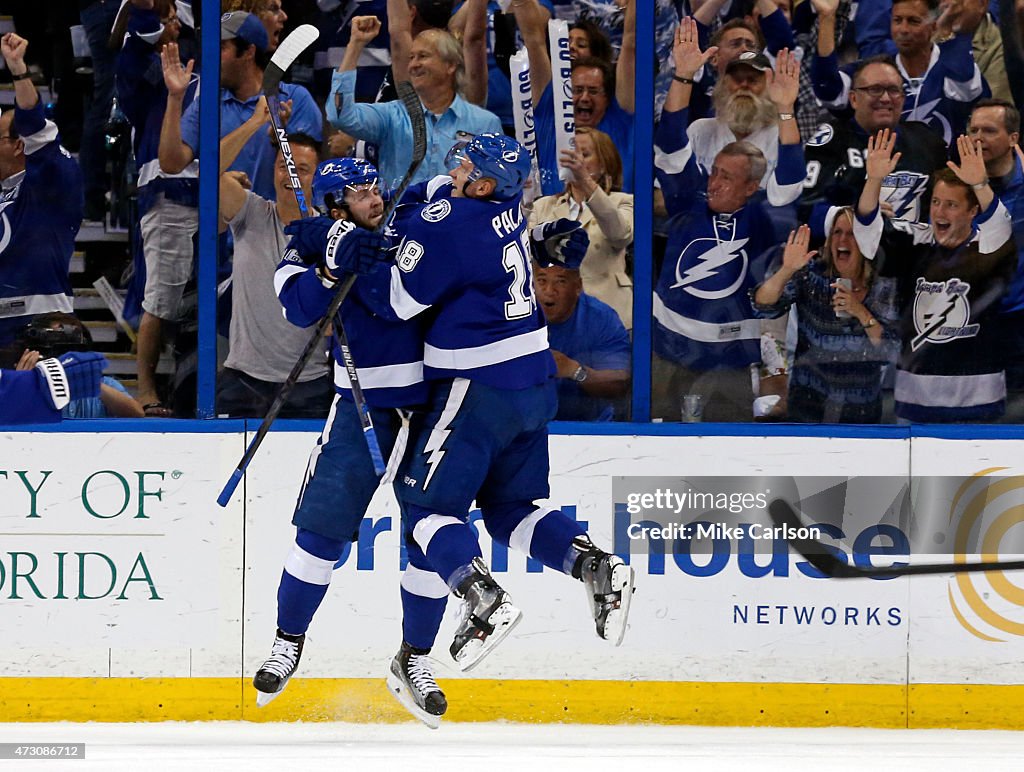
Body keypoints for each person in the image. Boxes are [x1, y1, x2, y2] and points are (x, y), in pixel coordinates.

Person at [347, 133, 634, 682]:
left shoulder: (453, 222)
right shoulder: (506, 210)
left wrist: (360, 261)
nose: (451, 170)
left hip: (477, 387)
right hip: (531, 386)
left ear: (480, 184)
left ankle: (481, 599)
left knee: (426, 511)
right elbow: (436, 206)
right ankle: (594, 564)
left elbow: (399, 301)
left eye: (462, 165)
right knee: (510, 510)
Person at [255, 158, 442, 725]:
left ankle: (415, 657)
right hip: (359, 407)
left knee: (430, 537)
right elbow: (295, 305)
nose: (374, 197)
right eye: (358, 193)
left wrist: (345, 235)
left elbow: (441, 189)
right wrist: (330, 263)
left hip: (432, 407)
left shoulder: (411, 217)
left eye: (373, 186)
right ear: (336, 205)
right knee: (320, 535)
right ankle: (288, 641)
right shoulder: (312, 249)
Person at [651, 20, 803, 423]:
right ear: (720, 82)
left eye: (755, 80)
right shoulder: (701, 132)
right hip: (680, 323)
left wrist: (787, 109)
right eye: (736, 78)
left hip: (748, 316)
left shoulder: (781, 139)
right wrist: (683, 75)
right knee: (659, 422)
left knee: (744, 421)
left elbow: (787, 192)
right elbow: (668, 150)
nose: (744, 86)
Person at [857, 131, 1016, 422]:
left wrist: (980, 184)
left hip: (978, 398)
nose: (939, 212)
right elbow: (868, 237)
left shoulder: (988, 246)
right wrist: (873, 180)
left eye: (952, 205)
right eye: (936, 202)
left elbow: (1001, 227)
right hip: (916, 399)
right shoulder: (915, 240)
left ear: (972, 211)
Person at [217, 106, 334, 418]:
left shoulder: (330, 236)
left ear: (318, 178)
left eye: (303, 169)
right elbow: (208, 171)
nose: (291, 176)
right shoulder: (250, 212)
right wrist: (257, 122)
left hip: (309, 384)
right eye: (285, 166)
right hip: (244, 380)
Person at [115, 0, 197, 416]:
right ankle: (145, 389)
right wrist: (146, 12)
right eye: (163, 20)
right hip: (168, 193)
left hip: (215, 194)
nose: (171, 27)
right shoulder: (147, 77)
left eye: (173, 20)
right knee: (161, 299)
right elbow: (134, 50)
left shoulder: (202, 78)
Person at [159, 11, 323, 203]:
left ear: (248, 52)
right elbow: (171, 163)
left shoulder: (294, 99)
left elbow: (305, 178)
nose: (211, 55)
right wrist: (175, 97)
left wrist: (278, 140)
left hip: (279, 229)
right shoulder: (208, 103)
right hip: (222, 230)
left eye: (221, 47)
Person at [752, 215, 900, 423]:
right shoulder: (812, 278)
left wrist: (860, 311)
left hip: (860, 417)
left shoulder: (882, 289)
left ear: (867, 242)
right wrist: (786, 270)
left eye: (852, 234)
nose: (842, 240)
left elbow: (890, 350)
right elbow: (763, 306)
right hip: (808, 410)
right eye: (837, 232)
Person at [326, 15, 501, 190]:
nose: (413, 65)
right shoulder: (391, 115)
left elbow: (494, 181)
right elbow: (340, 116)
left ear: (450, 65)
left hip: (459, 215)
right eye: (411, 57)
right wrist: (355, 44)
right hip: (401, 215)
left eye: (422, 56)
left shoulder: (485, 123)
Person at [0, 32, 83, 347]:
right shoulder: (5, 193)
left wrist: (19, 70)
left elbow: (34, 125)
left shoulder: (52, 180)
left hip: (42, 329)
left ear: (18, 145)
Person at [810, 0, 988, 146]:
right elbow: (827, 89)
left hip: (944, 181)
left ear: (933, 26)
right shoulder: (875, 69)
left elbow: (964, 87)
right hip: (881, 178)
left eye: (913, 21)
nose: (903, 30)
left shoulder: (953, 65)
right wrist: (826, 18)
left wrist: (947, 31)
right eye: (897, 20)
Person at [800, 55, 948, 226]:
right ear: (854, 99)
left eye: (893, 90)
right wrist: (855, 217)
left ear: (902, 98)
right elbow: (806, 212)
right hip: (852, 247)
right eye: (875, 89)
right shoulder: (830, 142)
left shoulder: (927, 141)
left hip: (918, 249)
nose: (885, 98)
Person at [528, 127, 634, 327]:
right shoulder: (543, 205)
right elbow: (525, 252)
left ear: (604, 164)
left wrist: (585, 180)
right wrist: (523, 199)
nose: (575, 160)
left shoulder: (624, 202)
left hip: (608, 313)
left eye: (584, 154)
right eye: (570, 154)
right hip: (552, 313)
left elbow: (621, 235)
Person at [966, 99, 1024, 398]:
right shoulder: (955, 184)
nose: (978, 137)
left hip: (1018, 319)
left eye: (988, 131)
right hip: (970, 321)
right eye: (973, 129)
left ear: (1013, 138)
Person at [533, 259, 630, 421]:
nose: (549, 290)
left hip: (588, 430)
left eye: (560, 282)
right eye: (541, 280)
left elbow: (619, 386)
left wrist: (575, 371)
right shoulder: (509, 316)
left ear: (578, 287)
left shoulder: (601, 319)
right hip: (522, 430)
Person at [13, 313, 144, 418]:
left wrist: (90, 381)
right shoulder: (23, 384)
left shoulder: (106, 385)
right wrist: (21, 388)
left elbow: (136, 413)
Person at [0, 350, 107, 425]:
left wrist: (91, 382)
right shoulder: (10, 384)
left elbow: (124, 414)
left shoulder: (105, 383)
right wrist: (22, 386)